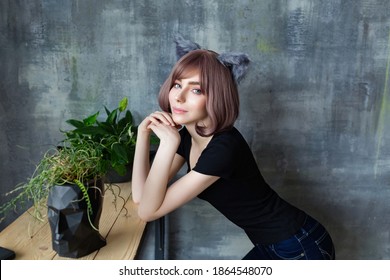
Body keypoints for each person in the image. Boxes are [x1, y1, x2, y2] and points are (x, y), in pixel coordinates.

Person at [132, 34, 335, 260]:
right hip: (273, 243)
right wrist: (143, 135)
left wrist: (168, 145)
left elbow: (148, 212)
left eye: (196, 90)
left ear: (216, 97)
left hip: (299, 244)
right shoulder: (190, 136)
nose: (178, 97)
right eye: (177, 84)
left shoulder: (224, 149)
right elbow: (142, 199)